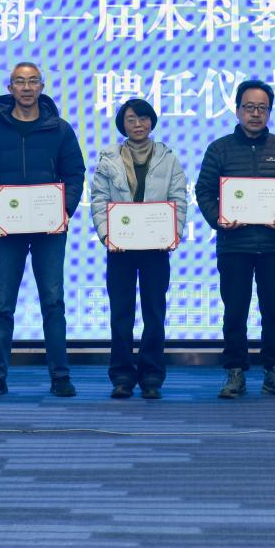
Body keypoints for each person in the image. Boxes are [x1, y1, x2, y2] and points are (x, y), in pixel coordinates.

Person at [0, 63, 86, 399]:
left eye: (33, 81)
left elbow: (75, 173)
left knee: (53, 302)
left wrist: (65, 209)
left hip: (49, 228)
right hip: (8, 229)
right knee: (2, 304)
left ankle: (60, 376)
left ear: (42, 87)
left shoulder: (59, 129)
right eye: (20, 81)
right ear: (10, 88)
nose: (27, 87)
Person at [194, 79, 275, 399]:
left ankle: (274, 370)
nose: (256, 114)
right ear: (238, 109)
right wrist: (219, 218)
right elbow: (204, 191)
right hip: (234, 245)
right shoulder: (219, 148)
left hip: (273, 244)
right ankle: (235, 372)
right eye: (249, 107)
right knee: (235, 311)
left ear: (270, 111)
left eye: (262, 108)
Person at [89, 98, 188, 400]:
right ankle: (121, 376)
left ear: (152, 122)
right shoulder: (109, 159)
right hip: (120, 248)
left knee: (154, 314)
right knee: (121, 314)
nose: (138, 124)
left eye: (143, 118)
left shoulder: (168, 159)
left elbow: (178, 198)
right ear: (122, 124)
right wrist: (107, 235)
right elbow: (99, 199)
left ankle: (151, 376)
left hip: (156, 248)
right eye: (131, 119)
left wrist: (173, 232)